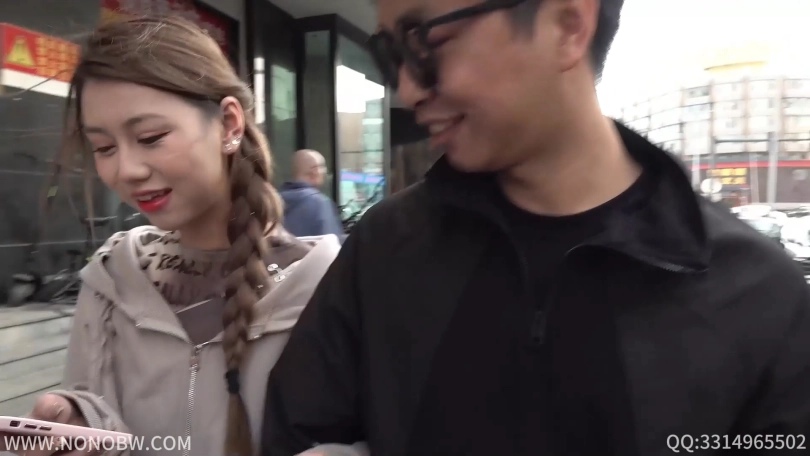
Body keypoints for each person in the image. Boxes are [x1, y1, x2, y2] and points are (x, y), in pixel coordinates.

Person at [262, 0, 810, 455]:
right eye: (390, 55)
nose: (407, 89)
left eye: (426, 42)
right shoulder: (385, 248)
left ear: (567, 26)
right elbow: (301, 430)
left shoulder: (760, 296)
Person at [0, 16, 345, 456]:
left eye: (151, 137)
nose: (126, 170)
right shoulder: (112, 279)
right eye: (104, 147)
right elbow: (93, 404)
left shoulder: (326, 284)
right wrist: (79, 420)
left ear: (229, 125)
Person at [279, 149, 344, 238]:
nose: (325, 173)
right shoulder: (320, 203)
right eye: (323, 167)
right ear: (315, 171)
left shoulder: (275, 202)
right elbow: (332, 243)